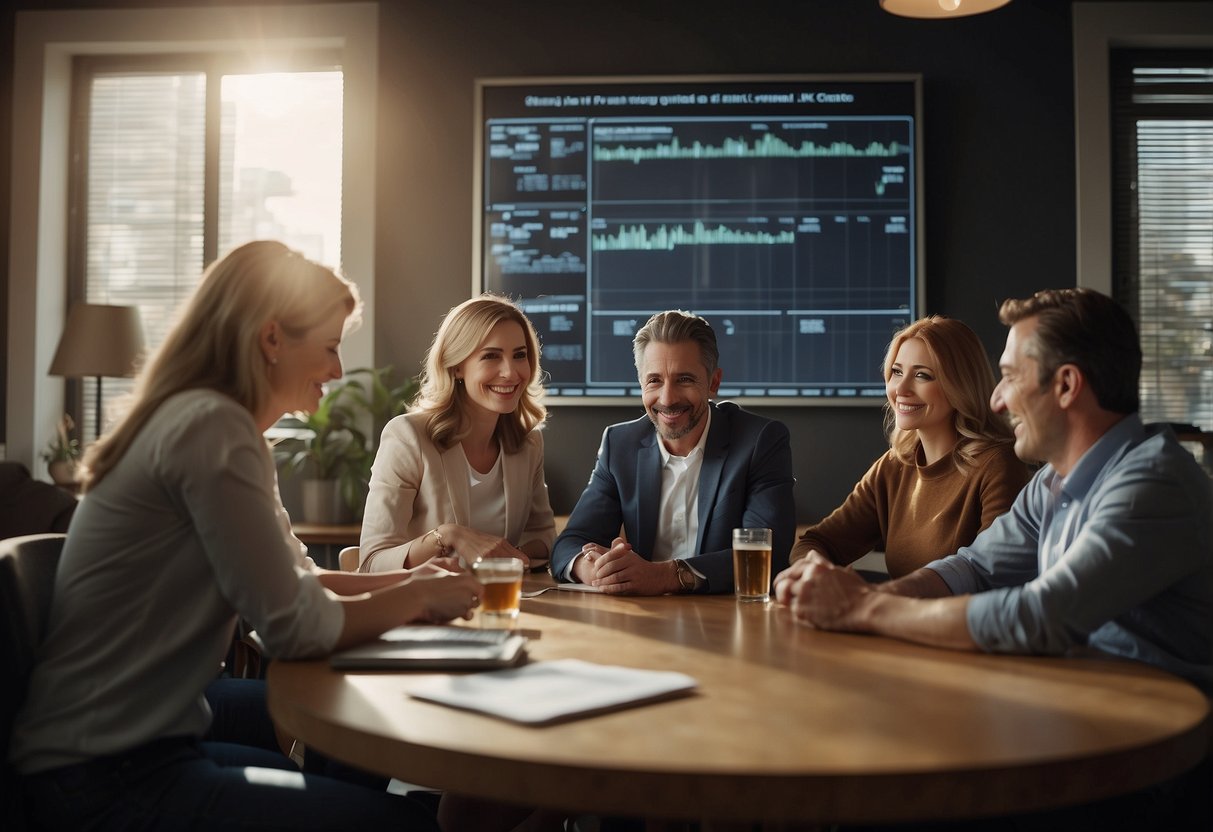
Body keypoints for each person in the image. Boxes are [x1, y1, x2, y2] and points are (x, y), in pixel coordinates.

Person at [9, 241, 482, 831]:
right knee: (404, 822)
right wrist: (414, 597)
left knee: (354, 748)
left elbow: (292, 586)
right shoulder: (212, 428)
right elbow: (294, 627)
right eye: (331, 347)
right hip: (107, 777)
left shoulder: (211, 425)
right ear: (271, 339)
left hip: (130, 746)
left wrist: (408, 582)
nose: (338, 370)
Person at [776, 288, 1213, 691]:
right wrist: (867, 596)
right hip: (1082, 699)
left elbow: (1042, 616)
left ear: (1065, 386)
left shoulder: (1153, 485)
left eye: (1009, 377)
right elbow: (974, 568)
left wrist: (862, 609)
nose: (997, 400)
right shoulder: (1051, 482)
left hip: (1160, 742)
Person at [552, 310, 796, 595]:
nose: (667, 399)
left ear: (713, 383)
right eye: (654, 380)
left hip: (724, 620)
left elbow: (768, 553)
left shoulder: (760, 441)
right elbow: (570, 543)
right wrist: (593, 568)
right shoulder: (620, 444)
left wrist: (665, 576)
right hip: (641, 618)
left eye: (684, 380)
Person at [791, 316, 1031, 579]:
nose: (901, 389)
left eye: (922, 375)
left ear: (960, 384)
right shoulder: (894, 465)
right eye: (896, 372)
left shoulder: (999, 465)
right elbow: (816, 542)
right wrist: (812, 571)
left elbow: (991, 575)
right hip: (897, 616)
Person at [359, 294, 555, 573]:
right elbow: (371, 563)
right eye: (491, 356)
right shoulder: (407, 437)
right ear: (457, 366)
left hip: (500, 602)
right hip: (425, 608)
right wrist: (450, 536)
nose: (510, 372)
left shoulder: (528, 442)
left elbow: (545, 536)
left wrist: (501, 559)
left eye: (519, 355)